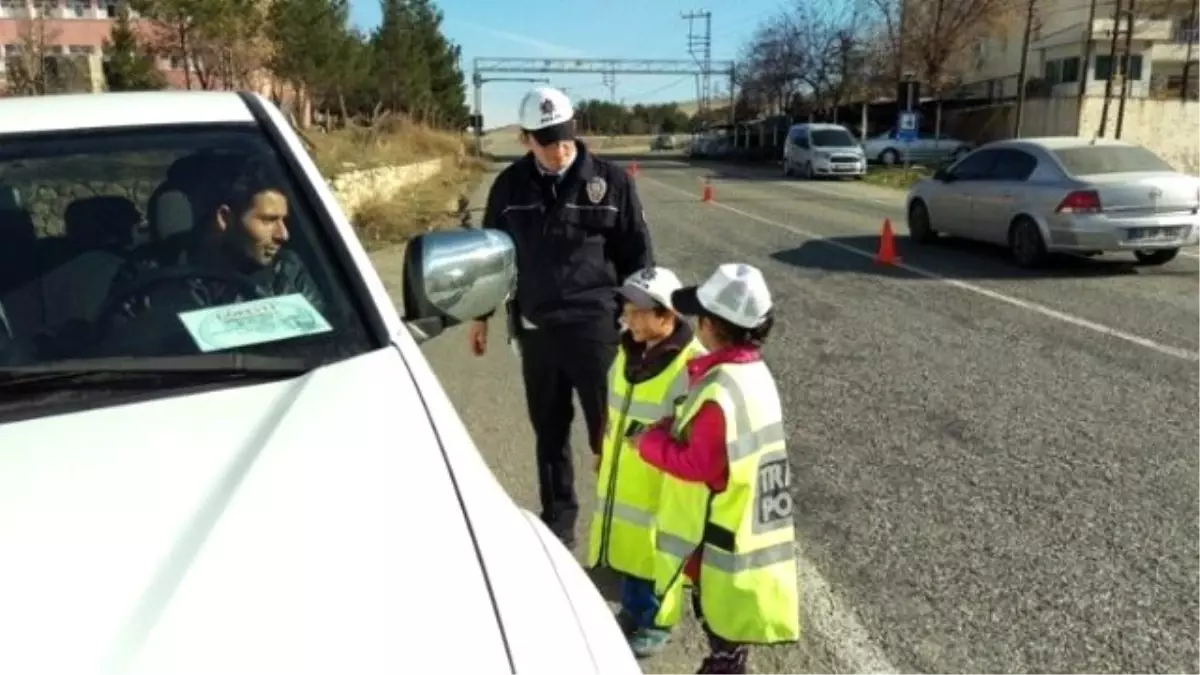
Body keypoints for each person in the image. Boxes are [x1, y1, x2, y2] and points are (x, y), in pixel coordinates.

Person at [469, 86, 654, 548]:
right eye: (547, 140)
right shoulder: (510, 187)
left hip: (596, 330)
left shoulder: (611, 182)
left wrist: (644, 319)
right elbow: (491, 255)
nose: (559, 148)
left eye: (566, 136)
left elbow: (638, 255)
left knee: (609, 437)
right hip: (538, 332)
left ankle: (622, 534)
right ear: (525, 139)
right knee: (549, 436)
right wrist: (480, 315)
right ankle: (559, 527)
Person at [635, 263, 799, 675]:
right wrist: (677, 425)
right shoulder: (753, 373)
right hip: (751, 525)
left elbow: (697, 464)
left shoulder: (719, 389)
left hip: (721, 538)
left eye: (699, 318)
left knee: (721, 633)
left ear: (709, 326)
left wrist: (648, 442)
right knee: (731, 637)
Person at [585, 266, 705, 658]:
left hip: (664, 481)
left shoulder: (693, 366)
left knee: (658, 552)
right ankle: (633, 610)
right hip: (626, 473)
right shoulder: (626, 353)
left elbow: (696, 434)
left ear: (667, 315)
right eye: (626, 308)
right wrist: (603, 449)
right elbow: (612, 407)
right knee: (630, 547)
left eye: (638, 311)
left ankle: (657, 621)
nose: (627, 317)